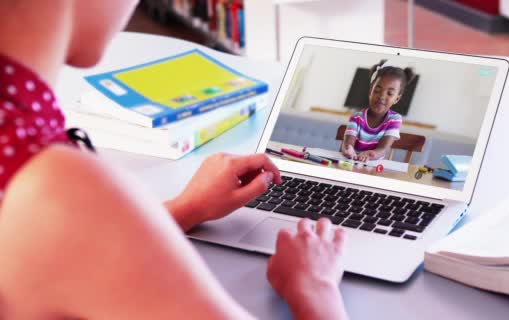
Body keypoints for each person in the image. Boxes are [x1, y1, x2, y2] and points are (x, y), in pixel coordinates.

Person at [0, 1, 348, 319]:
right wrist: (316, 289)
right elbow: (65, 228)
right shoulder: (61, 191)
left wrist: (185, 209)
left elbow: (61, 252)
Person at [341, 59, 413, 162]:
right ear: (370, 91)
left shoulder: (394, 120)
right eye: (377, 90)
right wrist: (348, 149)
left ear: (396, 99)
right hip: (350, 163)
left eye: (390, 93)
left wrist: (371, 154)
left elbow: (382, 149)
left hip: (373, 168)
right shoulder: (356, 117)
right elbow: (348, 144)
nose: (382, 96)